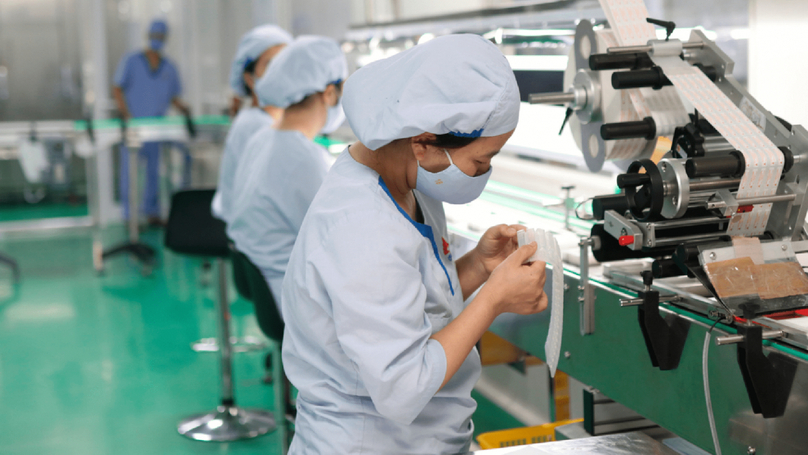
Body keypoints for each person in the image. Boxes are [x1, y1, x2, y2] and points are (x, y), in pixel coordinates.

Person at [281, 34, 548, 454]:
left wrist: (478, 266)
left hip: (425, 438)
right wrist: (492, 300)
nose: (485, 172)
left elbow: (414, 302)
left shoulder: (409, 184)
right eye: (481, 161)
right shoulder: (361, 226)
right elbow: (402, 387)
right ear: (422, 142)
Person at [227, 36, 347, 315]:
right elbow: (338, 243)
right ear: (329, 94)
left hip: (269, 285)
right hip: (296, 302)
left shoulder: (264, 138)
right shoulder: (303, 156)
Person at [211, 24, 292, 222]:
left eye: (286, 62)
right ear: (250, 78)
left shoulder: (267, 120)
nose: (279, 72)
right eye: (270, 64)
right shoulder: (255, 126)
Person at [112, 19, 190, 224]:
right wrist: (127, 116)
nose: (157, 40)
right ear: (148, 36)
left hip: (157, 130)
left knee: (153, 174)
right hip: (134, 129)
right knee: (129, 175)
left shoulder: (169, 67)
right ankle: (130, 216)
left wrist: (184, 109)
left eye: (161, 37)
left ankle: (152, 212)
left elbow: (173, 96)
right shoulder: (131, 61)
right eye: (154, 36)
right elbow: (117, 88)